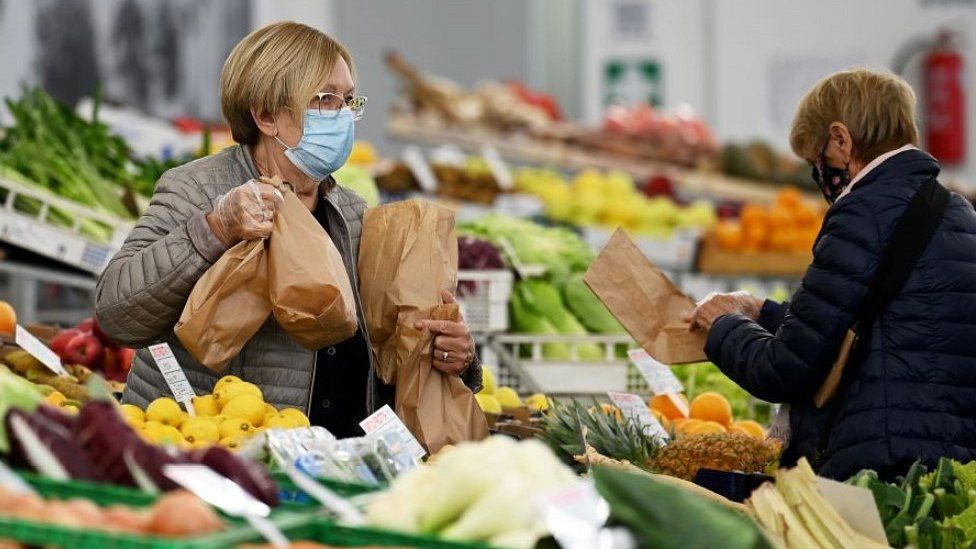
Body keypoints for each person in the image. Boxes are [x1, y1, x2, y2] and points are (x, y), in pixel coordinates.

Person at [95, 22, 482, 438]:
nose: (344, 115)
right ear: (264, 115)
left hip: (334, 460)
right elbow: (118, 315)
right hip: (224, 445)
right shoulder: (199, 189)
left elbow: (377, 355)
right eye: (325, 99)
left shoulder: (351, 212)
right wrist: (214, 230)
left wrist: (455, 357)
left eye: (349, 100)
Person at [684, 69, 976, 481]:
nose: (819, 174)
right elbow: (876, 318)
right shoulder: (956, 211)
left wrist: (722, 326)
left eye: (816, 159)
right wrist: (763, 311)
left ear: (841, 139)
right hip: (947, 470)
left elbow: (783, 370)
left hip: (880, 468)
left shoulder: (862, 213)